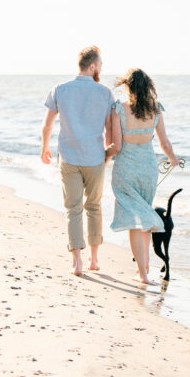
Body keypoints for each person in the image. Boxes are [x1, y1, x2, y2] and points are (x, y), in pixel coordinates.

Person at [41, 45, 113, 276]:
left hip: (69, 157)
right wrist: (108, 155)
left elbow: (48, 124)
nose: (100, 68)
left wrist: (44, 147)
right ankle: (94, 259)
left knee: (73, 209)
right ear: (92, 66)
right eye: (100, 65)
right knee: (94, 206)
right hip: (94, 158)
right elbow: (110, 130)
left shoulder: (60, 90)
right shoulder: (105, 93)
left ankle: (77, 262)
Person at [105, 68, 179, 285]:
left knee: (134, 221)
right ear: (148, 87)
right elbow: (164, 142)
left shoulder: (119, 109)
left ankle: (143, 273)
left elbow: (116, 146)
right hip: (148, 170)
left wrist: (103, 156)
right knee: (144, 217)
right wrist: (173, 158)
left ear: (128, 86)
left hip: (126, 169)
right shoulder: (155, 110)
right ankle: (144, 268)